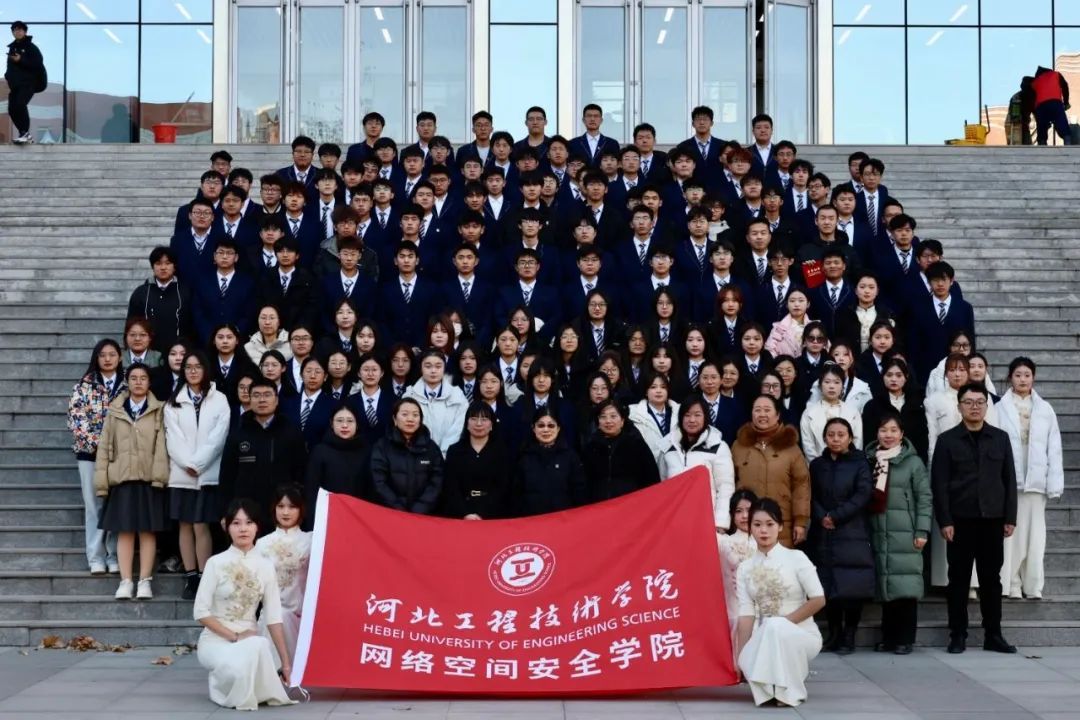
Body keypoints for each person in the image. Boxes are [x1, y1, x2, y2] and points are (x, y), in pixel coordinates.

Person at [932, 383, 1018, 655]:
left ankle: (994, 634)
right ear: (959, 407)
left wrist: (1010, 517)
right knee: (958, 580)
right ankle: (957, 634)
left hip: (992, 519)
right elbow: (939, 484)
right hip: (960, 521)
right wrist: (945, 520)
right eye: (968, 402)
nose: (975, 407)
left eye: (980, 402)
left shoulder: (1000, 438)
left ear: (987, 406)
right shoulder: (947, 441)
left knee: (991, 580)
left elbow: (1009, 480)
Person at [193, 499, 295, 711]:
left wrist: (286, 664)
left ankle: (233, 681)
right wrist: (235, 637)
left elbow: (274, 617)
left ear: (257, 527)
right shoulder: (215, 563)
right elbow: (200, 612)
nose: (243, 529)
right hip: (215, 642)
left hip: (250, 642)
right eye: (236, 523)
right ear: (227, 527)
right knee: (254, 649)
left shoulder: (265, 566)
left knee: (258, 645)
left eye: (249, 523)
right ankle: (220, 683)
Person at [735, 498, 826, 708]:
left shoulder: (797, 558)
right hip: (765, 637)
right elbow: (746, 614)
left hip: (802, 633)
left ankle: (786, 691)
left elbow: (818, 599)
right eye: (757, 525)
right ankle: (774, 689)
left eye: (770, 524)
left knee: (774, 625)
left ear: (781, 527)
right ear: (750, 528)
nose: (763, 530)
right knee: (750, 651)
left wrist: (783, 623)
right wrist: (741, 655)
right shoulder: (745, 568)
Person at [93, 363, 169, 600]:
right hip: (122, 478)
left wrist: (159, 477)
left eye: (143, 378)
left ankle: (145, 581)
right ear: (127, 382)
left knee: (147, 532)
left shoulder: (159, 410)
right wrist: (102, 481)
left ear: (149, 382)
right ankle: (125, 581)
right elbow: (104, 446)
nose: (138, 382)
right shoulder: (115, 410)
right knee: (125, 531)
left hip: (148, 479)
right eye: (133, 378)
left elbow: (162, 447)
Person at [164, 350, 231, 601]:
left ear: (205, 369)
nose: (192, 371)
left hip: (208, 472)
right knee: (184, 524)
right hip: (182, 473)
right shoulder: (173, 401)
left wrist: (199, 464)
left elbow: (219, 437)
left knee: (201, 524)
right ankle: (190, 576)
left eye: (197, 366)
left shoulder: (220, 399)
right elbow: (173, 439)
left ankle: (204, 577)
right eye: (188, 367)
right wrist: (188, 464)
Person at [996, 357, 1064, 600]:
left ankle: (1032, 585)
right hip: (1010, 482)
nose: (1022, 379)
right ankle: (1010, 583)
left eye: (1027, 375)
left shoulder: (1045, 409)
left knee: (1035, 537)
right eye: (1018, 375)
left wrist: (1054, 483)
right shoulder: (1000, 408)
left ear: (1033, 377)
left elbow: (1054, 448)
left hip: (1036, 481)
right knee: (1011, 537)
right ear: (1010, 378)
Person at [865, 410, 931, 655]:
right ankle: (889, 637)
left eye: (893, 430)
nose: (888, 435)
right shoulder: (871, 460)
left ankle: (905, 639)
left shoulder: (913, 463)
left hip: (906, 532)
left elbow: (924, 498)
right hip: (879, 531)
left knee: (906, 588)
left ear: (902, 434)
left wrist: (922, 530)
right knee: (887, 586)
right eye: (884, 430)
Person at [808, 418, 874, 655]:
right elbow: (810, 494)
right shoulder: (817, 465)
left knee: (852, 585)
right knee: (828, 584)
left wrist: (836, 516)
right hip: (824, 532)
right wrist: (822, 516)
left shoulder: (860, 463)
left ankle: (849, 634)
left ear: (850, 438)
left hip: (851, 530)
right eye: (831, 435)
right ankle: (834, 634)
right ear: (824, 438)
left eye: (841, 435)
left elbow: (863, 494)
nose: (835, 439)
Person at [67, 340, 123, 574]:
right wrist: (100, 446)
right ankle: (95, 556)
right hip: (89, 455)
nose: (107, 359)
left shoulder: (128, 385)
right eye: (102, 355)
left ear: (120, 357)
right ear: (96, 358)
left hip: (121, 456)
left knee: (116, 506)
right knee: (93, 507)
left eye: (112, 354)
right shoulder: (83, 386)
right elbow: (76, 420)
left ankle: (114, 555)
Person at [218, 378, 307, 525]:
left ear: (276, 400)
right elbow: (227, 477)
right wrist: (225, 512)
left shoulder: (291, 432)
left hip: (282, 510)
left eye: (267, 395)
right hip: (246, 513)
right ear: (250, 399)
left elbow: (301, 473)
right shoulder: (238, 433)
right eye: (256, 395)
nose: (262, 400)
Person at [732, 395, 811, 549]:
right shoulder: (739, 445)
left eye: (767, 410)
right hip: (746, 524)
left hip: (781, 524)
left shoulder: (791, 447)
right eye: (757, 410)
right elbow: (730, 482)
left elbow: (801, 486)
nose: (762, 414)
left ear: (777, 415)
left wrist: (801, 521)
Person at [657, 397, 736, 529]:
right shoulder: (668, 447)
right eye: (687, 415)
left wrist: (720, 522)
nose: (692, 420)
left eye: (697, 415)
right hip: (674, 520)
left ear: (705, 417)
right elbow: (663, 485)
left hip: (705, 521)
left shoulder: (717, 446)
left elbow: (725, 487)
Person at [255, 485, 311, 667]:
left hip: (301, 614)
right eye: (280, 506)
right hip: (271, 614)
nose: (285, 512)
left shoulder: (311, 540)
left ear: (301, 509)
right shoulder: (262, 544)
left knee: (283, 616)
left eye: (292, 507)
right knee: (276, 616)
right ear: (274, 508)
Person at [370, 398, 444, 514]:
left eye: (415, 415)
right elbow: (379, 483)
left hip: (424, 515)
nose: (410, 419)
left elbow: (437, 482)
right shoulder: (382, 447)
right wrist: (398, 509)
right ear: (395, 419)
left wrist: (420, 508)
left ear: (420, 420)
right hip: (391, 513)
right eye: (404, 414)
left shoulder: (431, 448)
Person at [512, 407, 587, 516]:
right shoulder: (524, 457)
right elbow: (516, 494)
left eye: (551, 425)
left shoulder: (570, 457)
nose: (546, 430)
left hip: (563, 519)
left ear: (558, 428)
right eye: (541, 425)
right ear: (533, 428)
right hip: (531, 520)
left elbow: (579, 492)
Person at [441, 403, 511, 519]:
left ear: (492, 425)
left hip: (493, 516)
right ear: (467, 424)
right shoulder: (454, 451)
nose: (478, 424)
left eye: (484, 419)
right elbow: (451, 486)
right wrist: (465, 513)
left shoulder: (502, 452)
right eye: (473, 419)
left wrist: (482, 513)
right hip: (460, 515)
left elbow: (503, 487)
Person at [582, 400, 660, 502]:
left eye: (613, 416)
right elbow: (584, 482)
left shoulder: (636, 444)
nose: (608, 421)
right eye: (603, 417)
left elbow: (651, 478)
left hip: (630, 504)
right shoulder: (591, 447)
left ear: (622, 420)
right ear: (598, 422)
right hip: (599, 505)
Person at [303, 406, 371, 522]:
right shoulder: (320, 451)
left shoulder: (367, 452)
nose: (344, 425)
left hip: (359, 517)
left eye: (350, 421)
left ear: (357, 424)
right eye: (339, 420)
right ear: (331, 423)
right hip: (327, 517)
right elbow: (311, 491)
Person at [717, 489, 758, 657]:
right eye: (739, 511)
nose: (744, 516)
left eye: (749, 510)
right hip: (733, 612)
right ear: (732, 515)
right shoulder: (723, 542)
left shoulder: (767, 542)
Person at [800, 364, 863, 463]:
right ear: (820, 385)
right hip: (818, 467)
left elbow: (857, 442)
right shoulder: (809, 413)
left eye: (837, 382)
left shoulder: (853, 411)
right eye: (827, 382)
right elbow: (808, 446)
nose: (832, 386)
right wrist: (819, 466)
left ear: (843, 386)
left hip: (849, 467)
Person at [5, 20, 45, 144]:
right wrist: (7, 76)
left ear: (25, 32)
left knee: (20, 104)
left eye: (20, 29)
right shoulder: (12, 48)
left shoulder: (31, 47)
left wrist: (21, 60)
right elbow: (10, 67)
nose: (17, 32)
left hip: (29, 83)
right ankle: (24, 133)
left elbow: (37, 63)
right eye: (15, 30)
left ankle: (25, 133)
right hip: (16, 85)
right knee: (12, 109)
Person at [628, 372, 680, 463]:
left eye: (663, 387)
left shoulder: (680, 411)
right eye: (653, 387)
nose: (658, 391)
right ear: (646, 391)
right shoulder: (633, 414)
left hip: (676, 465)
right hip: (647, 464)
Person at [1032, 65, 1072, 146]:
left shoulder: (1034, 82)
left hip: (1041, 106)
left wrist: (1038, 117)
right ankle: (1067, 143)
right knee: (1062, 123)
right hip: (1055, 103)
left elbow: (1033, 101)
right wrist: (1066, 102)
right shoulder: (1056, 74)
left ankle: (1042, 144)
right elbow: (1065, 86)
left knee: (1042, 129)